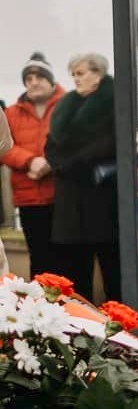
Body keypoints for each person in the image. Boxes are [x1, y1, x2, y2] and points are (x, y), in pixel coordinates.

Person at [44, 53, 122, 302]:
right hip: (70, 196)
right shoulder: (66, 104)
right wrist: (59, 164)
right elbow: (51, 143)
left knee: (112, 266)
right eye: (73, 75)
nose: (76, 79)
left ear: (98, 73)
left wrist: (71, 163)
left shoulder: (114, 100)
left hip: (101, 194)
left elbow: (111, 143)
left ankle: (118, 317)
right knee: (76, 267)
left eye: (81, 73)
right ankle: (83, 317)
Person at [3, 54, 67, 277]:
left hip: (62, 196)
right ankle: (39, 300)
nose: (33, 82)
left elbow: (77, 140)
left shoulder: (68, 105)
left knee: (67, 259)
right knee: (39, 258)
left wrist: (49, 162)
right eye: (28, 79)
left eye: (39, 77)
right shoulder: (11, 113)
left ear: (51, 80)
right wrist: (30, 160)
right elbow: (4, 147)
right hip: (29, 198)